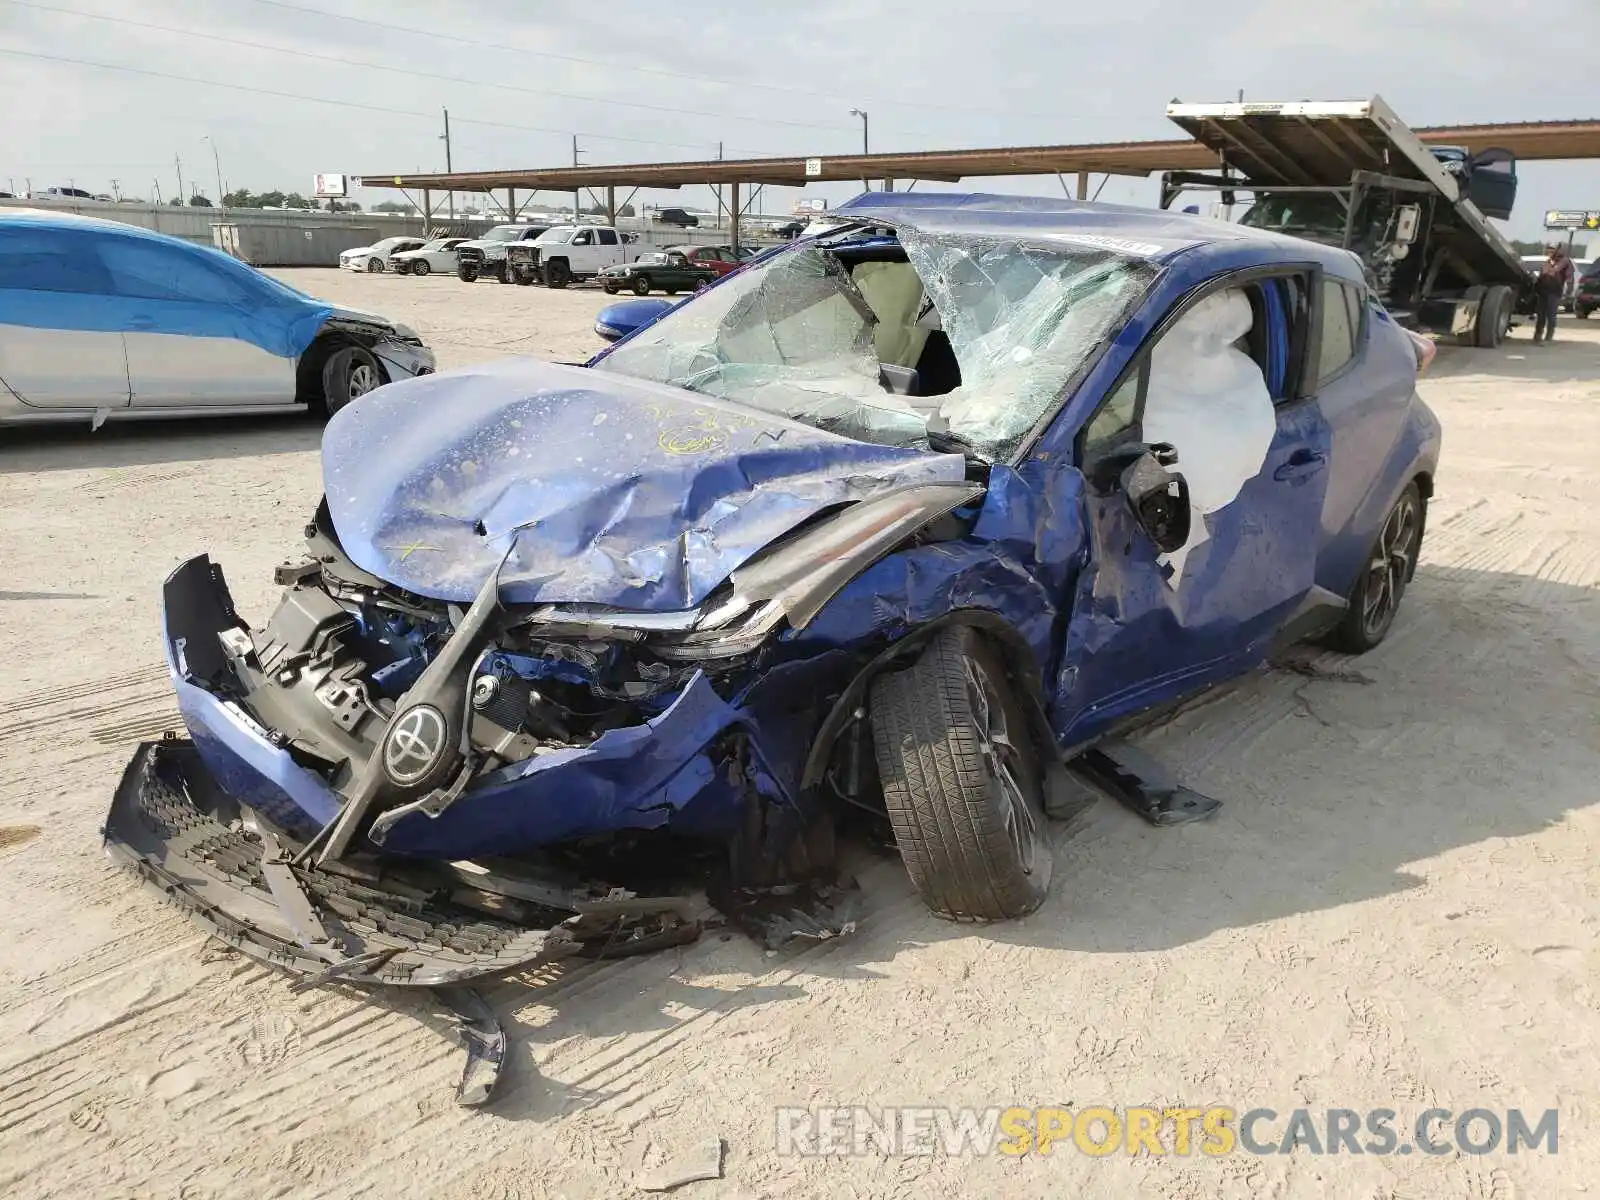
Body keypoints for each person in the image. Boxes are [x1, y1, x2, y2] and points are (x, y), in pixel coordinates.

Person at [1533, 244, 1574, 344]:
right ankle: (1538, 336)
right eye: (1550, 249)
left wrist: (1568, 293)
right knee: (1541, 315)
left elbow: (1569, 278)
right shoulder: (1548, 261)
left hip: (1554, 291)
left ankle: (1548, 337)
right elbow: (1541, 275)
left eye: (1553, 249)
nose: (1551, 251)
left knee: (1551, 315)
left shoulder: (1565, 262)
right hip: (1543, 291)